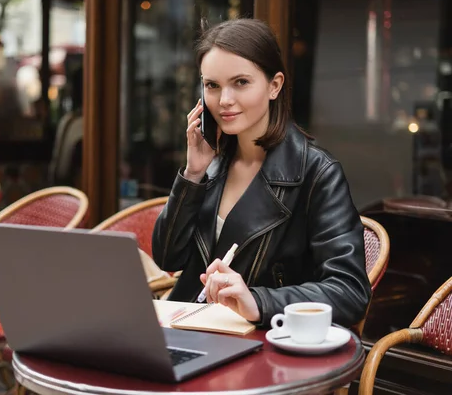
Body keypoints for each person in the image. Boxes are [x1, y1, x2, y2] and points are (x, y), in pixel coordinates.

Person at [152, 18, 371, 328]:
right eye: (212, 85)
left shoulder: (317, 173)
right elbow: (167, 259)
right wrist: (192, 174)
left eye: (241, 82)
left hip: (260, 344)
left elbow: (350, 292)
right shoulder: (211, 164)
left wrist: (258, 301)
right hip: (186, 329)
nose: (224, 100)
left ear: (274, 85)